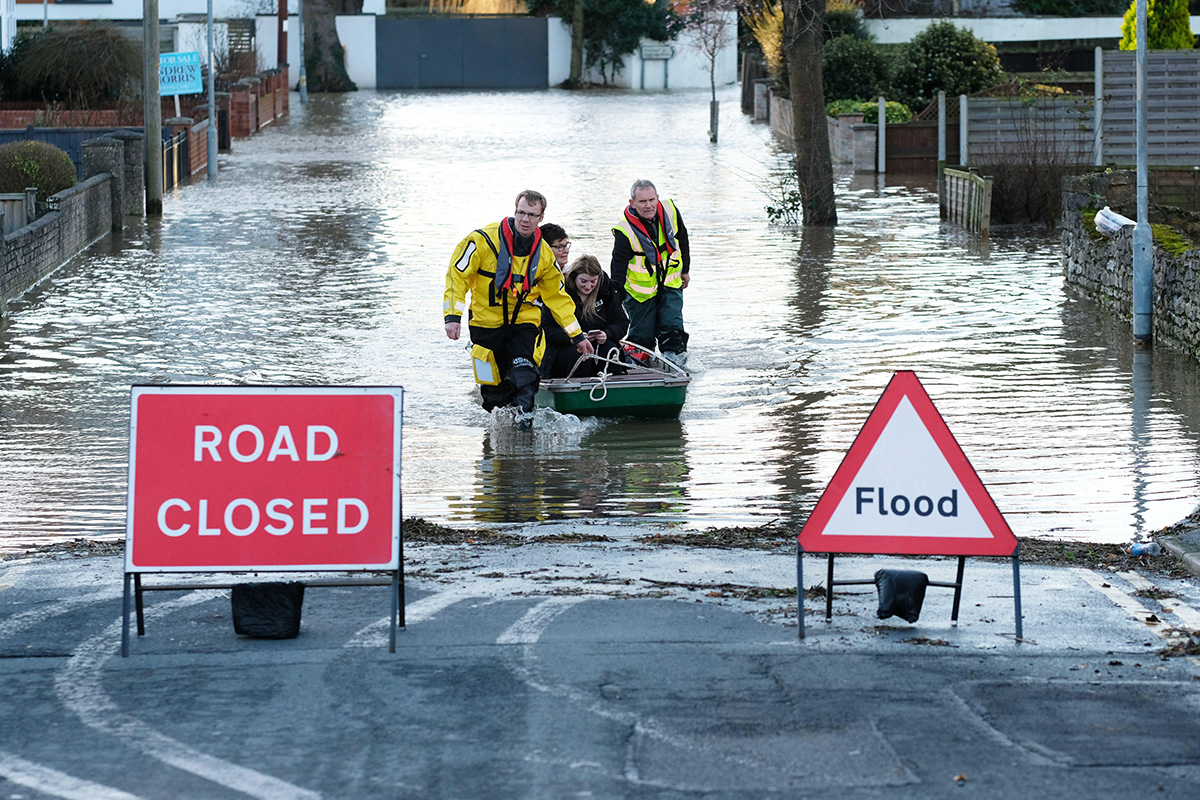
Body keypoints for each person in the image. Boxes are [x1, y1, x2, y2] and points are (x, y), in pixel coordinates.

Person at [444, 190, 593, 430]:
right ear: (515, 211)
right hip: (485, 322)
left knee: (525, 372)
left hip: (524, 321)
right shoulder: (482, 240)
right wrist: (452, 317)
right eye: (521, 212)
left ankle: (525, 428)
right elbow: (457, 277)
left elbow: (557, 297)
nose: (525, 219)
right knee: (494, 392)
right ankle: (499, 438)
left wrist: (577, 335)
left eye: (532, 215)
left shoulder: (544, 254)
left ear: (541, 217)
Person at [611, 179, 691, 367]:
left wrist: (685, 270)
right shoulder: (624, 230)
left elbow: (683, 238)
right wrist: (615, 298)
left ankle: (677, 365)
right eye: (642, 202)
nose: (648, 205)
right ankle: (639, 369)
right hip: (640, 293)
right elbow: (617, 267)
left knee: (673, 329)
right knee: (642, 338)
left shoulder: (670, 210)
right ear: (632, 203)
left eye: (651, 200)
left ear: (657, 198)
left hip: (671, 282)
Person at [542, 255, 630, 379]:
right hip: (567, 349)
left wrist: (607, 334)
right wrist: (572, 339)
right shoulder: (560, 294)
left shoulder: (608, 293)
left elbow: (622, 323)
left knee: (610, 350)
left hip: (600, 347)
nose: (588, 287)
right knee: (581, 354)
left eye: (593, 282)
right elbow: (545, 328)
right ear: (573, 278)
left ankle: (613, 389)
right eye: (583, 281)